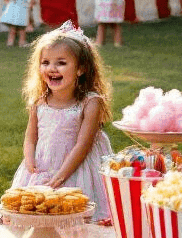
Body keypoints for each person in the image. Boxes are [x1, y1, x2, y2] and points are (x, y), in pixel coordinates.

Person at [11, 23, 113, 220]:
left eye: (61, 63)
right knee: (38, 213)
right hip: (43, 164)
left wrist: (61, 176)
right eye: (46, 62)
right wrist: (30, 160)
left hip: (77, 167)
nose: (52, 68)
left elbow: (83, 145)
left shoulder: (90, 103)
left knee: (73, 214)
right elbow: (31, 138)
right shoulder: (39, 102)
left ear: (81, 69)